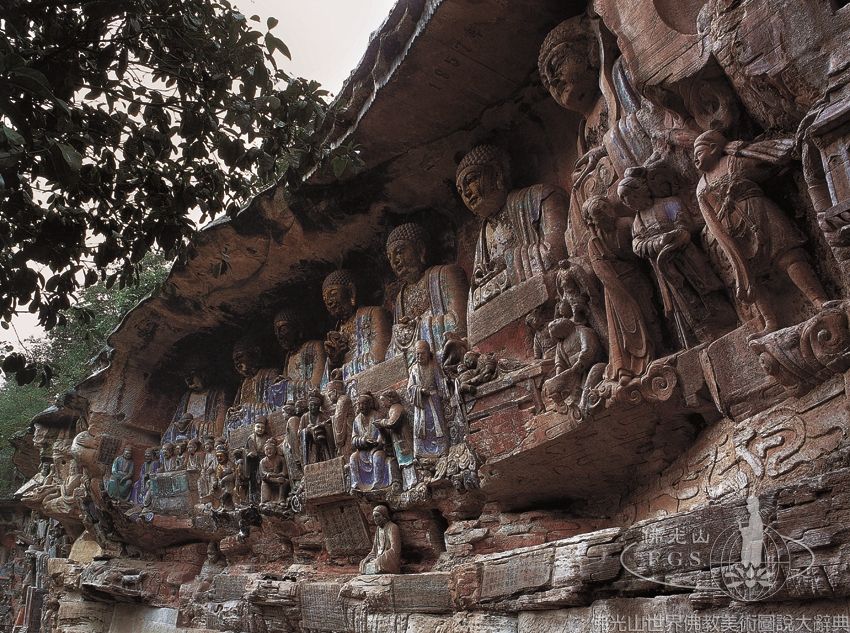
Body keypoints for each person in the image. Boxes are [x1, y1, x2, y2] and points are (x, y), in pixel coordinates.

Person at [694, 130, 830, 335]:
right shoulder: (701, 187)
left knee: (788, 256)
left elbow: (771, 162)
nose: (694, 158)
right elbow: (710, 219)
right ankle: (770, 321)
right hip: (733, 235)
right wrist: (726, 245)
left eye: (698, 152)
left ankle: (819, 300)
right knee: (750, 275)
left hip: (759, 214)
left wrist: (741, 149)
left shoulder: (732, 162)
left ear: (714, 148)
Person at [455, 145, 568, 310]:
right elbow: (476, 293)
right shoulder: (482, 238)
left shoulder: (541, 198)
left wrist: (507, 262)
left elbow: (557, 252)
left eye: (471, 179)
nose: (466, 192)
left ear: (496, 172)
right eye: (460, 190)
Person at [384, 223, 468, 360]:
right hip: (417, 365)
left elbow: (459, 324)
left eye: (399, 252)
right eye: (390, 257)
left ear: (420, 249)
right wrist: (401, 333)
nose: (394, 261)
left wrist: (416, 326)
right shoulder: (400, 297)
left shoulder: (446, 274)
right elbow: (393, 349)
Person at [322, 270, 392, 378]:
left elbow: (381, 357)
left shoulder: (373, 314)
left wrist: (344, 371)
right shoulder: (337, 332)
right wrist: (334, 361)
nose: (329, 302)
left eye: (334, 293)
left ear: (351, 291)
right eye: (325, 299)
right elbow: (327, 382)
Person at [406, 340, 449, 461]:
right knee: (421, 427)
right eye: (417, 354)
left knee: (436, 425)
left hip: (434, 401)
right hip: (421, 403)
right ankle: (421, 453)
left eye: (422, 353)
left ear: (427, 353)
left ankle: (441, 450)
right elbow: (410, 388)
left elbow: (440, 382)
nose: (419, 356)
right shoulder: (414, 369)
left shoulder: (433, 366)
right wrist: (419, 390)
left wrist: (445, 385)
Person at [359, 505, 401, 575]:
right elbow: (374, 550)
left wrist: (380, 559)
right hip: (378, 557)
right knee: (363, 563)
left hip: (388, 558)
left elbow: (395, 550)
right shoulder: (378, 529)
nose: (374, 518)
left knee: (377, 563)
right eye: (374, 516)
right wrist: (368, 558)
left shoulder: (392, 527)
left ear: (384, 516)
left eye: (377, 516)